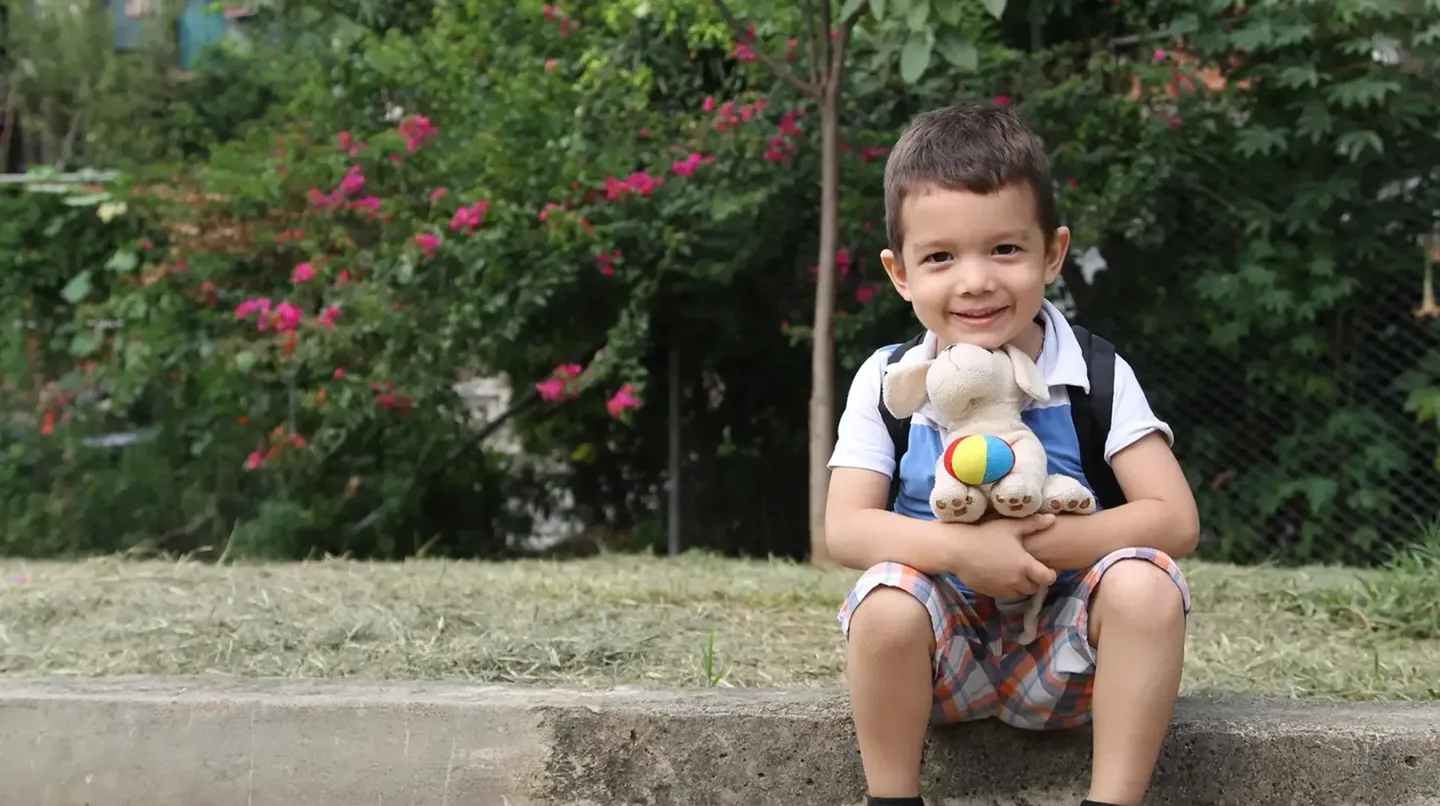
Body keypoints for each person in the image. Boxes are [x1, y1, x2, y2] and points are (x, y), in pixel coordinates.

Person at [824, 101, 1200, 806]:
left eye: (1004, 249)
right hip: (940, 666)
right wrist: (965, 553)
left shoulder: (1095, 371)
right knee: (885, 603)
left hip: (1070, 658)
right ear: (899, 272)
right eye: (939, 257)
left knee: (1149, 583)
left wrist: (1045, 543)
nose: (975, 281)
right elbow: (846, 528)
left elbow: (1175, 520)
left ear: (1051, 253)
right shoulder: (888, 380)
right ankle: (891, 798)